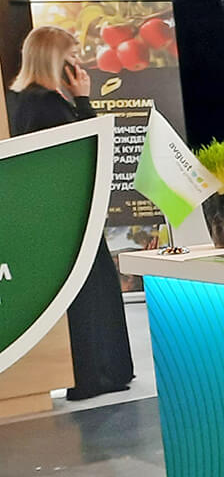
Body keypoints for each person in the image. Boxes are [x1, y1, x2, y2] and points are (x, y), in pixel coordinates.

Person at [6, 26, 134, 400]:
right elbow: (86, 150)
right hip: (71, 217)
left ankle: (102, 371)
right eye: (72, 57)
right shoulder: (47, 104)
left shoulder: (23, 101)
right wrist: (82, 100)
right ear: (55, 60)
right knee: (92, 292)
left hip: (54, 216)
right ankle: (100, 373)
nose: (79, 64)